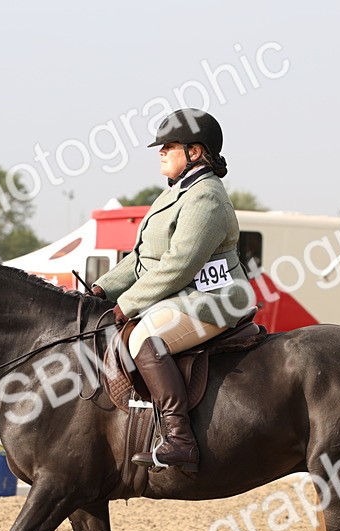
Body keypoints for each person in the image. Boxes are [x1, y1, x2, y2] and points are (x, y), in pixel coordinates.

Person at [91, 108, 253, 472]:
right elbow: (141, 260)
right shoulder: (176, 193)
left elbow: (179, 264)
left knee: (145, 336)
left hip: (217, 300)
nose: (160, 152)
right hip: (186, 297)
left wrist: (127, 304)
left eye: (169, 146)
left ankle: (180, 438)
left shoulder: (207, 197)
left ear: (195, 152)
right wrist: (101, 289)